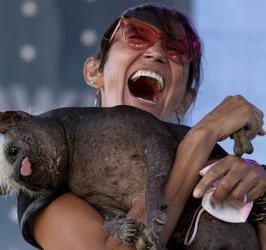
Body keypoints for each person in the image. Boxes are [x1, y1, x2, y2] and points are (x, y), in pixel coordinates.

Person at [17, 3, 266, 249]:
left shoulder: (224, 167)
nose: (156, 53)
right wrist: (201, 137)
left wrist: (261, 200)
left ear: (186, 101)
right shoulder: (50, 175)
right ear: (95, 72)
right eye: (136, 35)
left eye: (176, 49)